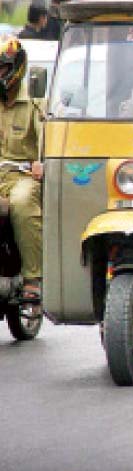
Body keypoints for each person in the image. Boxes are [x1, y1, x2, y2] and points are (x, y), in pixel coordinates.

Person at [0, 36, 44, 300]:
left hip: (22, 176)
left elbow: (47, 143)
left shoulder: (36, 104)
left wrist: (42, 162)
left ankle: (32, 278)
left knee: (22, 202)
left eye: (2, 68)